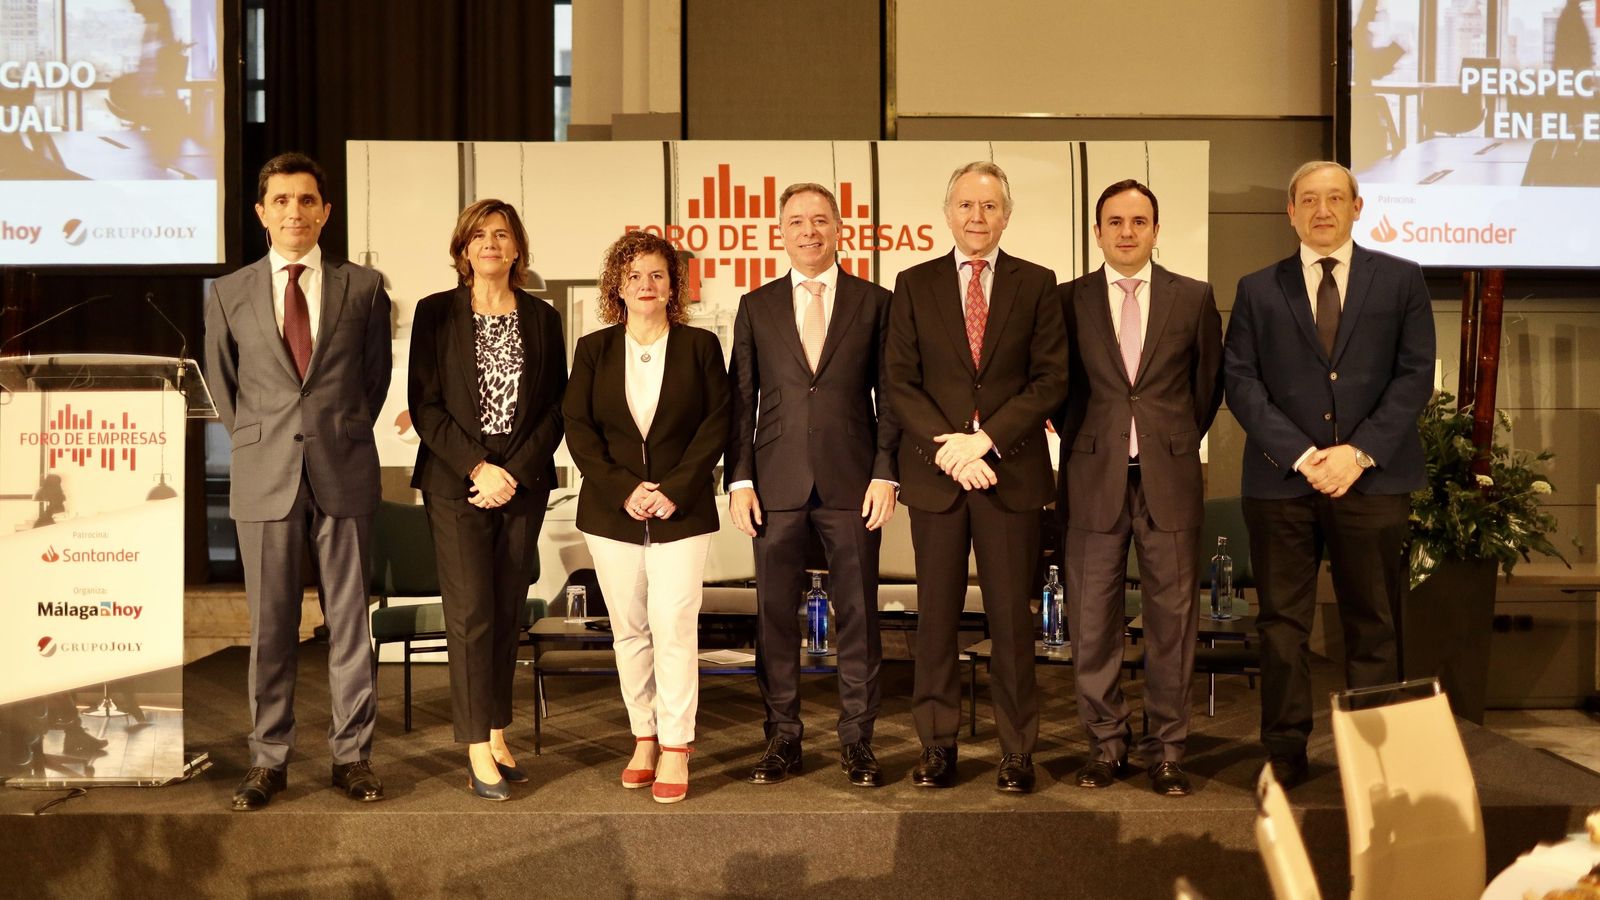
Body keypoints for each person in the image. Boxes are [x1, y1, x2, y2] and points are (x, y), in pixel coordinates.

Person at [1223, 160, 1435, 788]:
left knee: (1372, 622)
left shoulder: (1400, 280)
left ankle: (1371, 756)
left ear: (1357, 207)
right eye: (1308, 200)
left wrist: (1356, 452)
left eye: (1334, 198)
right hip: (1281, 482)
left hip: (1372, 480)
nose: (1322, 210)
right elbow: (1241, 380)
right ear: (1290, 212)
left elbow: (1414, 374)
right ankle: (1285, 749)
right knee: (1282, 626)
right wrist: (1304, 455)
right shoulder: (1258, 288)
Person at [204, 152, 392, 810]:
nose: (295, 212)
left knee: (347, 622)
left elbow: (374, 379)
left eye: (307, 200)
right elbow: (223, 386)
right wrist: (258, 435)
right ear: (261, 212)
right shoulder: (227, 293)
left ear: (326, 212)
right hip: (265, 473)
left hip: (343, 466)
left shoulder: (363, 287)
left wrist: (336, 428)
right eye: (281, 200)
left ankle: (352, 756)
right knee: (272, 625)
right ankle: (268, 759)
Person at [886, 161, 1068, 793]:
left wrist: (985, 441)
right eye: (966, 206)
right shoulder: (913, 284)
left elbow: (1051, 380)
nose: (977, 217)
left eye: (989, 207)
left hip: (1010, 475)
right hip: (939, 479)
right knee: (934, 617)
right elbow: (899, 382)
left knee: (1011, 624)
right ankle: (937, 745)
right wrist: (951, 451)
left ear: (1007, 216)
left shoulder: (1038, 284)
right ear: (948, 213)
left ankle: (1017, 750)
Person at [725, 183, 900, 788]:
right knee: (774, 617)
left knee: (859, 616)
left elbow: (892, 398)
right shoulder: (757, 305)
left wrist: (886, 472)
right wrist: (739, 478)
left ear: (839, 229)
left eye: (820, 220)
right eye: (796, 221)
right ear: (780, 232)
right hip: (774, 484)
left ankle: (858, 740)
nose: (808, 231)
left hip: (855, 481)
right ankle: (782, 738)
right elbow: (741, 400)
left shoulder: (876, 302)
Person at [1053, 180, 1223, 797]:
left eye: (1140, 221)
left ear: (1156, 230)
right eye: (1115, 221)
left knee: (1172, 623)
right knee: (1091, 622)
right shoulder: (1066, 299)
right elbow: (1058, 385)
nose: (1127, 231)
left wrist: (1166, 439)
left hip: (1170, 479)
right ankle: (1106, 746)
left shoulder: (1193, 297)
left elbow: (1206, 388)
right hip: (1092, 479)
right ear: (1097, 231)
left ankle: (1167, 751)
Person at [563, 230, 730, 804]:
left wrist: (675, 489)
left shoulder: (701, 346)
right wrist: (624, 489)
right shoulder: (593, 349)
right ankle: (644, 737)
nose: (646, 285)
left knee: (674, 625)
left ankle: (679, 747)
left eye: (657, 275)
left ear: (673, 285)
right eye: (634, 275)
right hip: (612, 514)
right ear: (618, 285)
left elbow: (717, 424)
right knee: (629, 630)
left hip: (681, 513)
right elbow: (579, 430)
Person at [407, 199, 567, 801]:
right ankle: (476, 747)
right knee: (471, 614)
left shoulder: (543, 319)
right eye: (480, 236)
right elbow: (425, 405)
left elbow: (557, 408)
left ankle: (498, 732)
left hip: (520, 482)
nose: (491, 244)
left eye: (502, 235)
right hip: (456, 480)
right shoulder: (434, 314)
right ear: (463, 249)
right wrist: (479, 466)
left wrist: (512, 471)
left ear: (517, 248)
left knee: (504, 613)